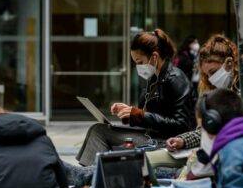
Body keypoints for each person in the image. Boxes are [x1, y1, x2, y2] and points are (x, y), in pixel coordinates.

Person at [76, 28, 195, 166]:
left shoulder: (176, 79)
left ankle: (89, 177)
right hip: (150, 134)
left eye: (139, 62)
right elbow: (147, 115)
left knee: (99, 132)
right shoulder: (153, 79)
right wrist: (129, 113)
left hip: (164, 141)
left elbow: (182, 125)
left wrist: (140, 115)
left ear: (154, 56)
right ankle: (91, 177)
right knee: (98, 129)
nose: (138, 67)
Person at [147, 34, 239, 170]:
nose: (211, 79)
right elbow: (204, 130)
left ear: (229, 64)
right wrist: (183, 140)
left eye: (213, 72)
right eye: (207, 75)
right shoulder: (218, 95)